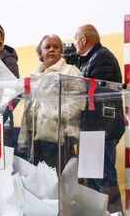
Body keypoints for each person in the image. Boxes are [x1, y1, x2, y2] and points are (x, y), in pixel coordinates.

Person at [73, 24, 125, 215]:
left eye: (76, 38)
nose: (74, 43)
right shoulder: (91, 59)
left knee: (104, 177)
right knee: (93, 178)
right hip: (92, 129)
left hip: (101, 128)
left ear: (84, 40)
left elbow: (100, 95)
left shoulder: (101, 57)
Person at [17, 34, 85, 170]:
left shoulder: (70, 71)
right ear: (40, 52)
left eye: (56, 47)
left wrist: (51, 115)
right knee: (38, 181)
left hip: (60, 137)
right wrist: (24, 137)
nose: (52, 50)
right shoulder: (34, 75)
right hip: (35, 137)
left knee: (57, 181)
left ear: (61, 51)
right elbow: (28, 108)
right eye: (47, 47)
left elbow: (77, 102)